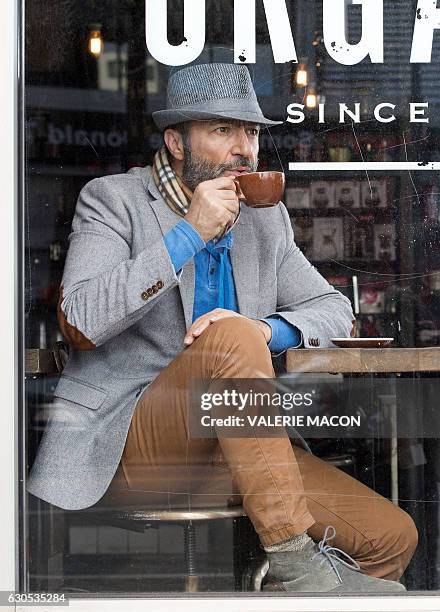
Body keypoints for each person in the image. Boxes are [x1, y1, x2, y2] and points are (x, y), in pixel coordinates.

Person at [27, 62, 417, 593]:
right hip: (132, 446)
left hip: (239, 449)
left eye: (251, 132)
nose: (244, 148)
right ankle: (295, 561)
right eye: (222, 130)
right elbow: (80, 321)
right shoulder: (113, 199)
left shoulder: (264, 218)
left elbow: (331, 307)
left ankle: (288, 592)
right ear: (177, 142)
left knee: (390, 537)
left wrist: (269, 331)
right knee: (228, 336)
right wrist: (189, 233)